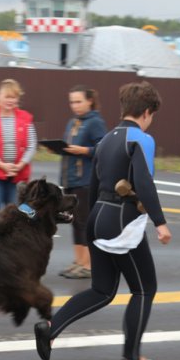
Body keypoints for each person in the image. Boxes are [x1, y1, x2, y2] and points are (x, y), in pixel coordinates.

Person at [34, 81, 172, 360]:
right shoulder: (141, 139)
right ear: (147, 112)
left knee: (102, 290)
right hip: (122, 222)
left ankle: (50, 328)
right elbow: (144, 183)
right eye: (152, 116)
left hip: (98, 217)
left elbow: (94, 184)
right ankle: (132, 357)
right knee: (144, 289)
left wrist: (91, 225)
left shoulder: (107, 139)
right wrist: (160, 223)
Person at [57, 85, 107, 279]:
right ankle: (78, 261)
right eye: (72, 102)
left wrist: (84, 151)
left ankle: (88, 264)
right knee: (75, 221)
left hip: (85, 180)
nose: (75, 105)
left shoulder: (95, 122)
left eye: (79, 101)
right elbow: (69, 147)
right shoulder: (73, 122)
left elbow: (103, 147)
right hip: (70, 178)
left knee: (84, 222)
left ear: (90, 101)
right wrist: (58, 148)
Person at [0, 78, 37, 223]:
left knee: (17, 214)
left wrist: (21, 164)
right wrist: (0, 164)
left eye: (14, 97)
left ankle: (12, 244)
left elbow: (31, 145)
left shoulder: (26, 118)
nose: (10, 100)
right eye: (7, 96)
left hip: (18, 174)